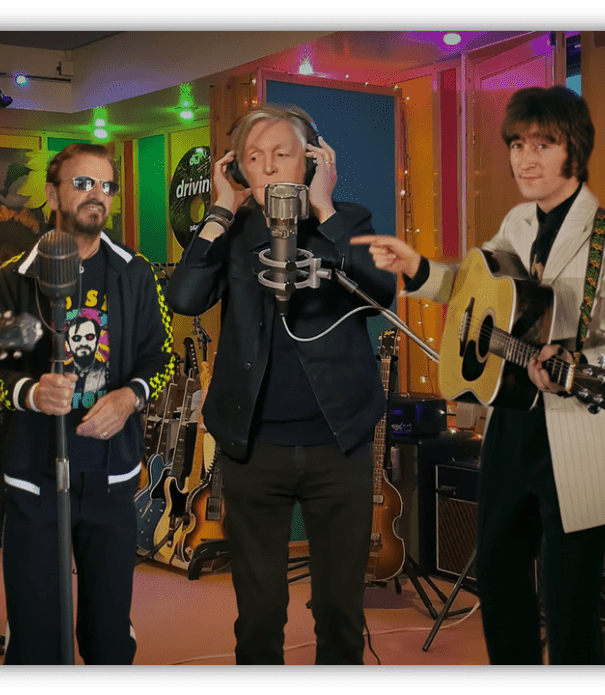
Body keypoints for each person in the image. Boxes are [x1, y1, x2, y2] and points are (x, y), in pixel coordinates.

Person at [352, 86, 605, 664]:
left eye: (542, 144)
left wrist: (576, 367)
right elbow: (474, 287)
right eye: (516, 144)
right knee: (499, 575)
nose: (524, 159)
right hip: (512, 424)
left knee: (569, 602)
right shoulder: (517, 222)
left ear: (575, 150)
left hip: (582, 431)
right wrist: (419, 270)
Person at [167, 105, 396, 665]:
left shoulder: (350, 220)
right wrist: (222, 208)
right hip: (253, 448)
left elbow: (381, 292)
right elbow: (185, 297)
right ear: (238, 169)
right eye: (253, 158)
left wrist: (325, 210)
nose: (268, 168)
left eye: (282, 154)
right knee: (260, 613)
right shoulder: (231, 230)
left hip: (338, 444)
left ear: (312, 161)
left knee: (340, 612)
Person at [0, 143, 174, 664]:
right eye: (83, 183)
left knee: (109, 633)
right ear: (53, 193)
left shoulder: (136, 273)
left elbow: (163, 359)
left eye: (107, 186)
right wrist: (31, 392)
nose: (97, 195)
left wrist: (129, 397)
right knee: (36, 634)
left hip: (111, 477)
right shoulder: (14, 277)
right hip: (35, 477)